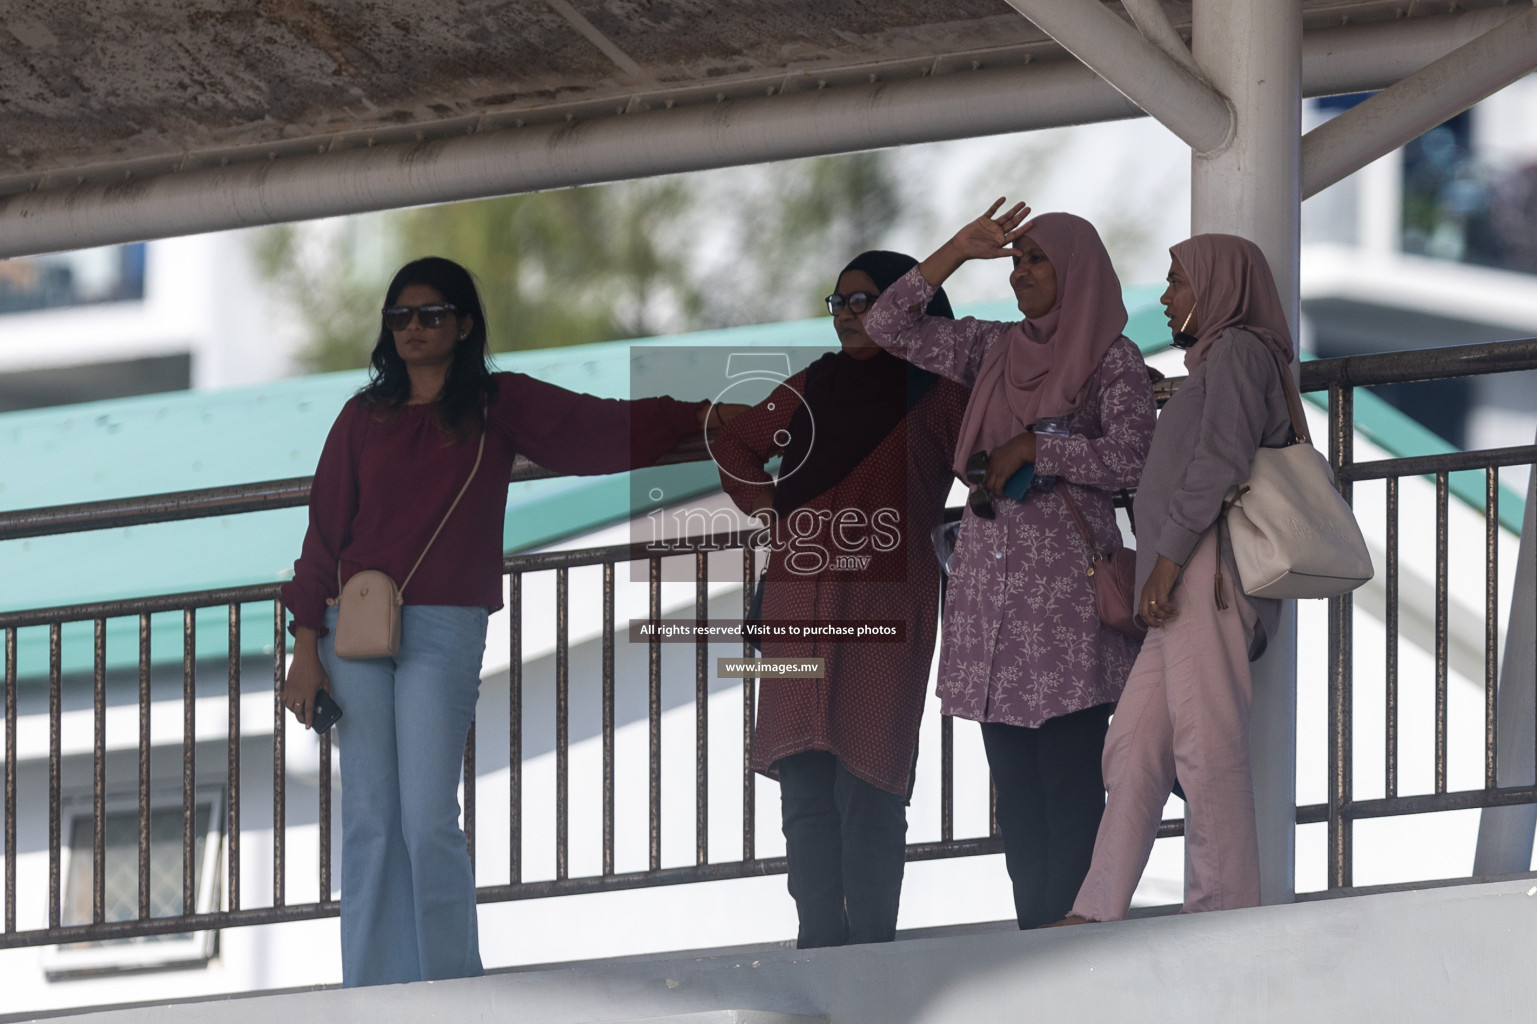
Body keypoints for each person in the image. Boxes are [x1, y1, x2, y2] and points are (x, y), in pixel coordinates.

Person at [280, 256, 728, 986]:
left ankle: (452, 988)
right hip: (350, 632)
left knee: (427, 821)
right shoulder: (363, 417)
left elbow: (595, 429)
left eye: (430, 316)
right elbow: (323, 536)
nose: (413, 329)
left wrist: (701, 415)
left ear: (462, 325)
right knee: (368, 823)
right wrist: (304, 647)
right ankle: (371, 995)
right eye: (399, 317)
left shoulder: (496, 404)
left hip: (444, 628)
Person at [863, 203, 1156, 929]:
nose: (1019, 272)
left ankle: (1075, 949)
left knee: (1070, 790)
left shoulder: (1111, 360)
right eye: (1014, 260)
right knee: (1017, 803)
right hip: (991, 607)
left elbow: (1131, 458)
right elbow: (885, 326)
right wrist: (958, 250)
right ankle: (1036, 948)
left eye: (1034, 260)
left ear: (1075, 271)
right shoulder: (992, 348)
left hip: (1063, 615)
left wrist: (1038, 448)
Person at [711, 251, 970, 947]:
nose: (851, 315)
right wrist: (772, 509)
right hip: (795, 604)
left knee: (870, 779)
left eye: (867, 300)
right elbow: (730, 437)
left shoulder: (941, 391)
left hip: (885, 606)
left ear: (909, 307)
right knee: (803, 781)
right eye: (841, 303)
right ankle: (820, 948)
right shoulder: (811, 387)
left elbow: (992, 455)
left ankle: (872, 958)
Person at [1061, 233, 1295, 924]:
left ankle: (1220, 911)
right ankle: (1096, 909)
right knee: (1132, 744)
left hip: (1206, 579)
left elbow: (1218, 459)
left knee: (1204, 742)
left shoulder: (1237, 352)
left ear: (1218, 287)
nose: (1165, 297)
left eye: (1177, 282)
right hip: (1185, 582)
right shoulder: (1218, 360)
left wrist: (1163, 563)